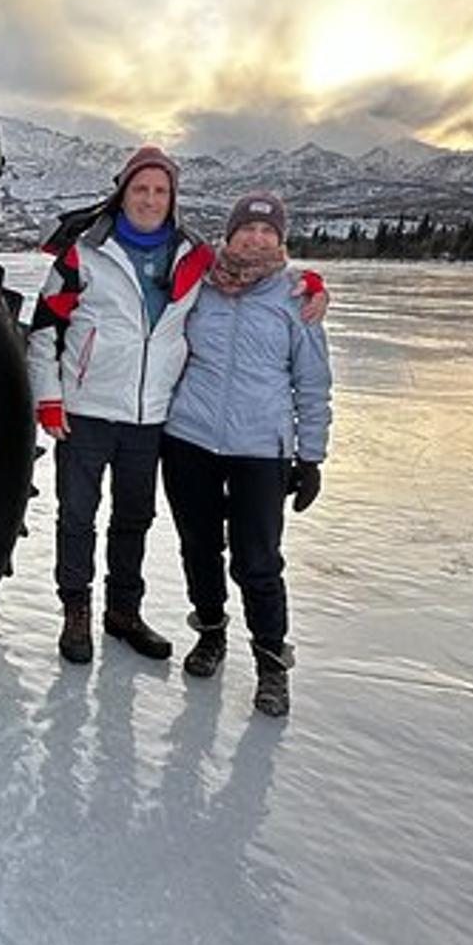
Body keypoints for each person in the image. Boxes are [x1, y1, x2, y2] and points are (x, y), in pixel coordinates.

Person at [26, 150, 326, 666]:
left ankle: (123, 612)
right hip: (86, 409)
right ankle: (76, 610)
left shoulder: (195, 258)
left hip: (151, 417)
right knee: (78, 516)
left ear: (172, 200)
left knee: (134, 518)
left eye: (160, 191)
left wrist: (313, 286)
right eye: (140, 189)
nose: (150, 199)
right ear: (124, 194)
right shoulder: (84, 253)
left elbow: (256, 274)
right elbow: (45, 329)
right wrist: (48, 397)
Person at [161, 191, 331, 717]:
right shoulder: (200, 286)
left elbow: (313, 383)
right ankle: (211, 632)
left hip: (261, 448)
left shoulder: (295, 298)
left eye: (268, 232)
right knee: (199, 547)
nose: (256, 239)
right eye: (247, 230)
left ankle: (270, 666)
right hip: (189, 438)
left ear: (280, 240)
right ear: (230, 234)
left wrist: (311, 456)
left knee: (258, 561)